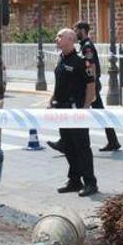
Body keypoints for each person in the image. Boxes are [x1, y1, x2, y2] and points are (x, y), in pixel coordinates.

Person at [47, 21, 121, 153]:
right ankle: (112, 141)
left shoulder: (87, 46)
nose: (75, 33)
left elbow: (90, 66)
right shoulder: (83, 45)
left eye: (76, 30)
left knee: (98, 113)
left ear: (82, 30)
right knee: (99, 113)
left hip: (90, 84)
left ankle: (111, 141)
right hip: (89, 83)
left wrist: (90, 85)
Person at [50, 28, 98, 197]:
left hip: (76, 110)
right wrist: (52, 100)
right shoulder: (61, 59)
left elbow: (91, 85)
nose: (57, 39)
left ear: (70, 40)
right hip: (61, 109)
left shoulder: (81, 62)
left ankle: (90, 182)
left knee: (82, 147)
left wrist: (86, 107)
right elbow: (59, 83)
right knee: (68, 145)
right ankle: (74, 180)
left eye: (60, 36)